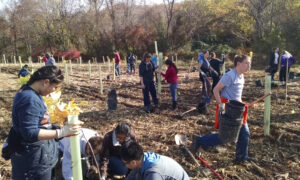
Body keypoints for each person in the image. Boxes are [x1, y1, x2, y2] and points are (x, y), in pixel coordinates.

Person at [9, 66, 81, 179]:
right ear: (46, 82)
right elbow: (30, 132)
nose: (55, 91)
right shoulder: (29, 99)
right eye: (55, 87)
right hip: (32, 164)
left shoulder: (33, 94)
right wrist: (60, 132)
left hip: (38, 160)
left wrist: (58, 129)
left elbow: (40, 124)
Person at [192, 55, 255, 163]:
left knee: (244, 133)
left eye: (249, 63)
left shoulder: (241, 76)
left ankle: (242, 157)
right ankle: (200, 141)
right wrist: (221, 106)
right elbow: (216, 90)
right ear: (238, 64)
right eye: (247, 63)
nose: (249, 66)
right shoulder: (230, 76)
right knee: (226, 136)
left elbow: (236, 95)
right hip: (229, 109)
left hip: (238, 109)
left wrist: (243, 104)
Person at [120, 141, 190, 180]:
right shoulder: (141, 159)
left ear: (133, 162)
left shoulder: (154, 174)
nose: (124, 166)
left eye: (124, 163)